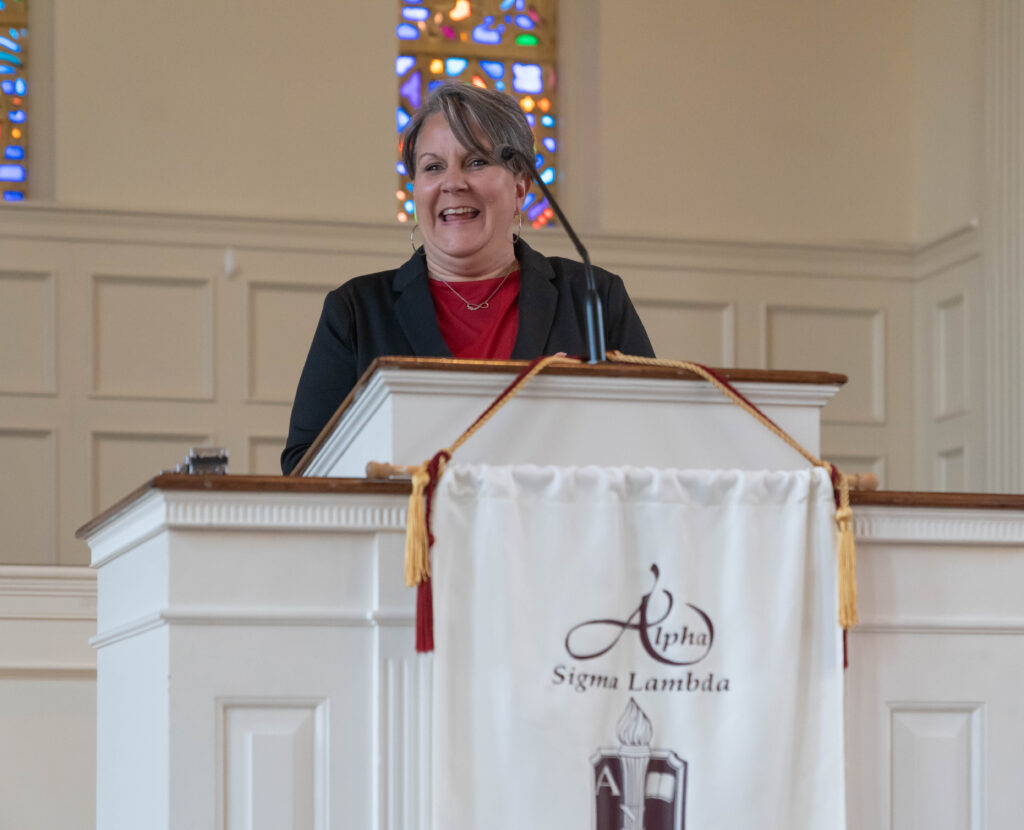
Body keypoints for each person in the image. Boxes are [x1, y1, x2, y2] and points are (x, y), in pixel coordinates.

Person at [281, 82, 654, 474]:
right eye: (433, 167)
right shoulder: (356, 311)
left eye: (476, 162)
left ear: (521, 184)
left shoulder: (593, 297)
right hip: (408, 533)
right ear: (416, 190)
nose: (453, 182)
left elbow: (655, 438)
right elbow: (305, 465)